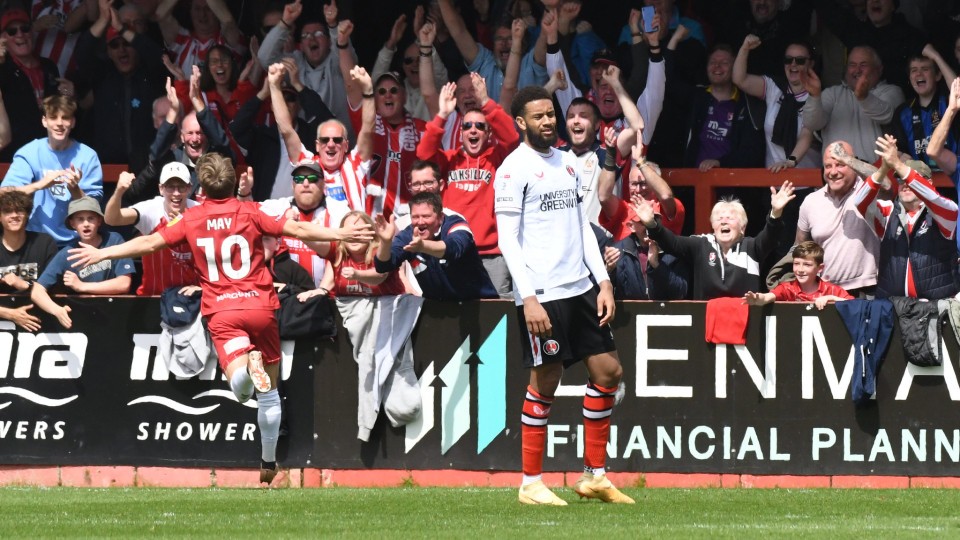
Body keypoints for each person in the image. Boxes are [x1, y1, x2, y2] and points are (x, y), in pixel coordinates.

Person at [67, 151, 374, 485]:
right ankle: (268, 462)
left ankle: (243, 370)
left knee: (241, 390)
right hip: (260, 305)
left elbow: (149, 242)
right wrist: (342, 235)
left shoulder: (191, 218)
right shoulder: (252, 211)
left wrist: (104, 251)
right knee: (268, 394)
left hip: (223, 310)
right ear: (231, 181)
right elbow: (298, 228)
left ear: (202, 184)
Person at [494, 86, 632, 506]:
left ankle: (594, 475)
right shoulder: (512, 169)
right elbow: (507, 240)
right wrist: (528, 297)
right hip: (543, 292)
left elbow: (582, 228)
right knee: (547, 381)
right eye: (538, 117)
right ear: (521, 123)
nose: (549, 122)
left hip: (580, 288)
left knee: (609, 372)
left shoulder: (569, 165)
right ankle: (531, 482)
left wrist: (602, 282)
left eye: (550, 114)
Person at [416, 74, 519, 298]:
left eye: (480, 126)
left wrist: (485, 102)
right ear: (461, 133)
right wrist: (442, 115)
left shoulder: (497, 158)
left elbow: (512, 138)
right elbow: (423, 155)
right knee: (456, 321)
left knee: (497, 323)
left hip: (491, 254)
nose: (473, 130)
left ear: (488, 133)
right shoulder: (449, 159)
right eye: (467, 126)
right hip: (454, 251)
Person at [638, 182, 794, 300]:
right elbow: (670, 242)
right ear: (713, 225)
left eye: (730, 218)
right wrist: (651, 223)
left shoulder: (752, 246)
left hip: (746, 322)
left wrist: (776, 212)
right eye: (719, 219)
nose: (724, 222)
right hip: (708, 324)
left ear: (742, 227)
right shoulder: (701, 245)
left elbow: (771, 235)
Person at [855, 134, 960, 299]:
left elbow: (933, 198)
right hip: (893, 309)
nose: (905, 184)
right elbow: (859, 202)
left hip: (934, 309)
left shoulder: (946, 211)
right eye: (900, 180)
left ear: (929, 184)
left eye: (910, 179)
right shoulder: (888, 212)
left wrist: (897, 163)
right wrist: (884, 168)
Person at [269, 61, 374, 225]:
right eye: (325, 140)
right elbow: (286, 130)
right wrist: (274, 86)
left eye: (337, 140)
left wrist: (368, 91)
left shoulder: (356, 164)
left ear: (346, 145)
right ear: (317, 145)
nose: (331, 144)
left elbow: (367, 129)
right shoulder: (308, 163)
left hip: (354, 243)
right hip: (320, 245)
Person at [0, 95, 103, 247]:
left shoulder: (88, 156)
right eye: (53, 118)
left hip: (74, 241)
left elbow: (94, 209)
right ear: (44, 121)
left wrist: (75, 189)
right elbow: (5, 193)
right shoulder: (30, 152)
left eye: (65, 118)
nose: (59, 124)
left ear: (73, 122)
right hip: (34, 239)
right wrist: (41, 184)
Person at [374, 191, 496, 301]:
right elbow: (383, 265)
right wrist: (385, 243)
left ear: (440, 217)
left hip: (480, 305)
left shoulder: (456, 225)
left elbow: (453, 249)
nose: (420, 222)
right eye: (415, 217)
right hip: (437, 310)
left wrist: (422, 246)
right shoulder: (408, 234)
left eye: (426, 216)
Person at [796, 140, 881, 296]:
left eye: (840, 164)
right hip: (824, 292)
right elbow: (800, 248)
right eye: (828, 166)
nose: (833, 172)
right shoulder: (811, 201)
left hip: (867, 289)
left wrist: (848, 158)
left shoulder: (867, 191)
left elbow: (885, 182)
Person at [257, 0, 354, 135]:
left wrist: (332, 26)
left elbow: (349, 61)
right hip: (306, 149)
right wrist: (284, 22)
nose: (312, 39)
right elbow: (264, 59)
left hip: (340, 145)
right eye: (305, 36)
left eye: (318, 34)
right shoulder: (295, 61)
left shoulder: (336, 61)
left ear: (328, 42)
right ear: (301, 45)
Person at [104, 162, 200, 296]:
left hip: (189, 298)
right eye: (170, 187)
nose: (176, 193)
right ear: (161, 189)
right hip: (153, 296)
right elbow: (112, 219)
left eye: (181, 187)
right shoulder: (151, 209)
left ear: (189, 188)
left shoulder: (200, 211)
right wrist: (119, 191)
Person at [801, 45, 904, 160]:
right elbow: (812, 124)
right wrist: (815, 96)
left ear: (879, 69)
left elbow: (887, 115)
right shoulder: (832, 93)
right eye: (852, 65)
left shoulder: (891, 91)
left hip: (874, 173)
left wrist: (863, 96)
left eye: (863, 65)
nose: (857, 70)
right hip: (836, 172)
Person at [733, 35, 820, 171]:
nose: (793, 64)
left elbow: (806, 133)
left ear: (811, 64)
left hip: (807, 183)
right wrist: (745, 49)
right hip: (774, 181)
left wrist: (789, 162)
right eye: (788, 59)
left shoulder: (818, 97)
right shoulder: (774, 87)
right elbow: (740, 80)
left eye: (800, 60)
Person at [684, 44, 765, 172]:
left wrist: (720, 163)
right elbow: (667, 82)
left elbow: (752, 151)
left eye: (724, 63)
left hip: (731, 184)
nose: (717, 66)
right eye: (713, 62)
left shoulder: (749, 104)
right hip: (694, 184)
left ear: (735, 68)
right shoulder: (696, 97)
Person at [0, 7, 64, 162]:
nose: (20, 34)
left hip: (52, 157)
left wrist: (69, 95)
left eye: (25, 28)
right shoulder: (2, 70)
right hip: (14, 160)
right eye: (12, 31)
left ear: (32, 32)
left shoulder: (49, 66)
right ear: (3, 38)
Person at [743, 241, 853, 309]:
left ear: (820, 268)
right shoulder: (787, 288)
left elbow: (857, 305)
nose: (800, 269)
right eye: (796, 264)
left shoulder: (831, 290)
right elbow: (769, 297)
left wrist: (831, 298)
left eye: (807, 265)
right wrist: (759, 299)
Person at [321, 210, 406, 297]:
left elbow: (380, 274)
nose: (354, 236)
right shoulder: (338, 252)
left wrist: (357, 274)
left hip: (387, 306)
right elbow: (309, 239)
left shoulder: (381, 250)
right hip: (348, 308)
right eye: (349, 231)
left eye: (360, 230)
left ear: (371, 233)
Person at [0, 190, 57, 296]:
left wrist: (25, 285)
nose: (14, 215)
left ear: (28, 214)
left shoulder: (45, 244)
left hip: (38, 308)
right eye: (8, 211)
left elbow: (55, 286)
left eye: (19, 210)